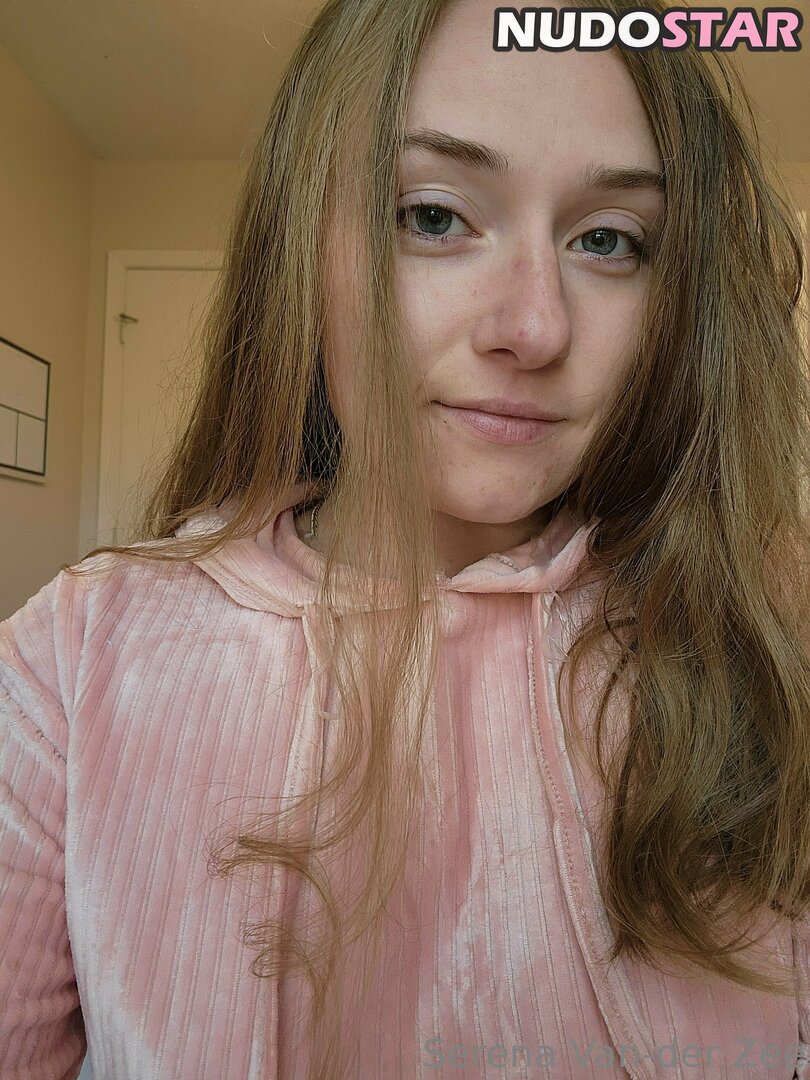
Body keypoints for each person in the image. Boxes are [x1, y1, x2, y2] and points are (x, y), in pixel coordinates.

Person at [2, 0, 810, 1076]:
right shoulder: (72, 660)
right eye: (433, 217)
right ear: (303, 246)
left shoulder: (765, 638)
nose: (534, 327)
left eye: (608, 240)